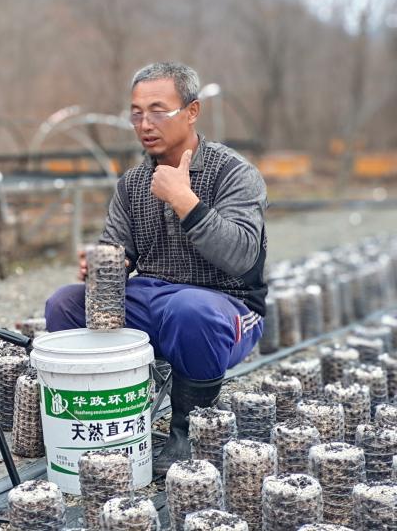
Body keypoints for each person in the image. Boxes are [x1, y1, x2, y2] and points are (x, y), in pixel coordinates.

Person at [44, 62, 268, 476]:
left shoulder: (234, 173)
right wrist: (103, 267)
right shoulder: (132, 184)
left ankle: (188, 428)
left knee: (190, 309)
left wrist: (184, 200)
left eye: (158, 111)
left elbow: (242, 256)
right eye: (136, 113)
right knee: (65, 304)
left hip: (225, 305)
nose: (145, 124)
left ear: (192, 111)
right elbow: (117, 249)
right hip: (150, 298)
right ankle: (100, 417)